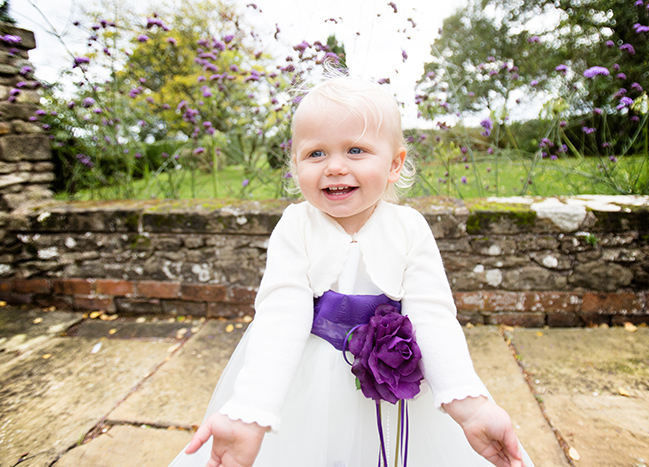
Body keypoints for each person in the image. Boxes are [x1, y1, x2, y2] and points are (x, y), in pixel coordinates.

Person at [168, 74, 535, 467]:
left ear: (395, 165)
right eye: (315, 154)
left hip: (394, 385)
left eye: (356, 150)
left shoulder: (409, 229)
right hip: (308, 384)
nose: (335, 167)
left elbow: (433, 317)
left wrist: (471, 405)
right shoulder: (296, 227)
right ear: (295, 165)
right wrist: (251, 410)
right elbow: (280, 316)